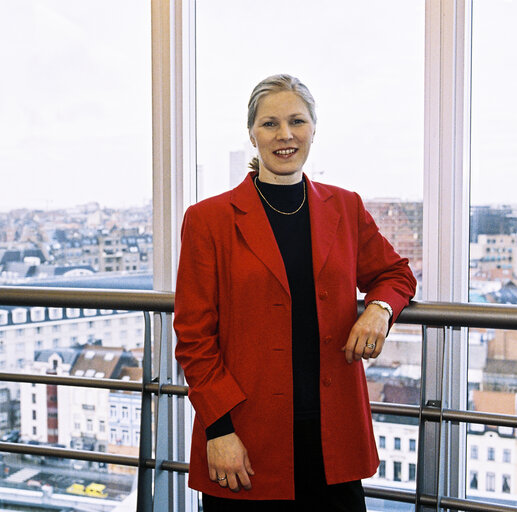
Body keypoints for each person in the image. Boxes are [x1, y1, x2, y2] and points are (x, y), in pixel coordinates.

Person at [173, 74, 417, 511]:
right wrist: (218, 430)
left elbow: (395, 274)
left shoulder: (345, 206)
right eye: (269, 124)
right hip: (245, 440)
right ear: (251, 134)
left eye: (296, 121)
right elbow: (193, 337)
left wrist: (379, 309)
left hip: (333, 438)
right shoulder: (207, 219)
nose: (284, 136)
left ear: (313, 129)